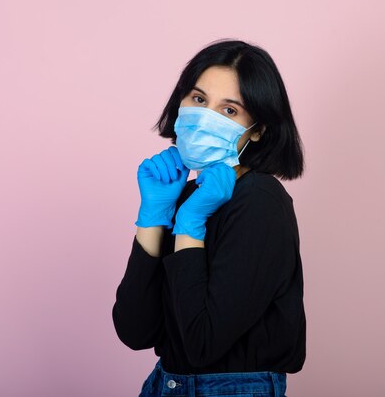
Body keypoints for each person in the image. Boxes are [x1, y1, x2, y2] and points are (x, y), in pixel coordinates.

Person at [112, 39, 306, 397]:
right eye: (199, 100)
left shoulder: (261, 202)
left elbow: (201, 345)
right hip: (165, 385)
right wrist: (153, 217)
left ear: (258, 129)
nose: (205, 118)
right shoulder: (190, 196)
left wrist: (189, 223)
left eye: (229, 111)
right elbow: (135, 330)